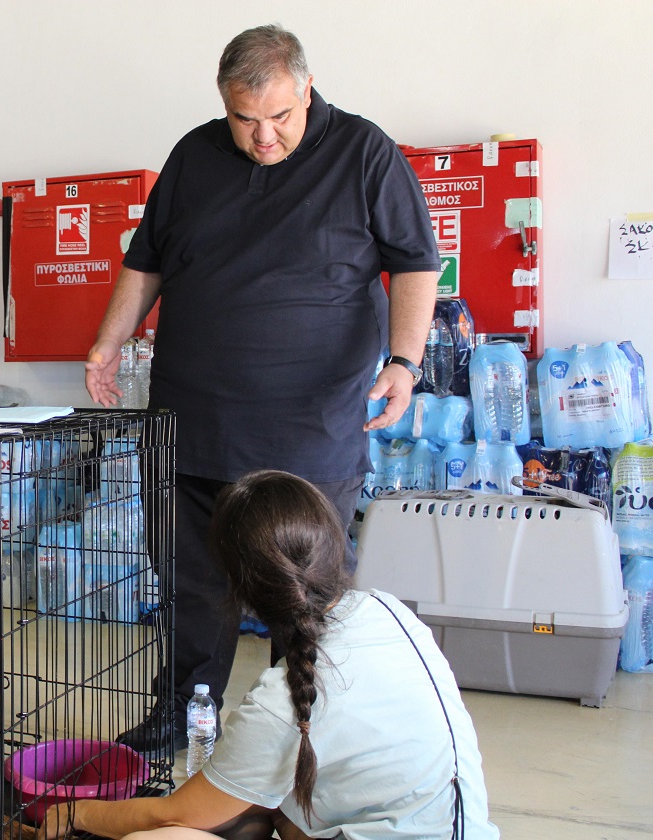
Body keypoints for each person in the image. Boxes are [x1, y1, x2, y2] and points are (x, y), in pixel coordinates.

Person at [85, 25, 441, 755]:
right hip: (192, 423)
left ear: (306, 89)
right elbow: (145, 260)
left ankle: (302, 725)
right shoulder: (195, 154)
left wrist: (405, 360)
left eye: (278, 116)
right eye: (244, 119)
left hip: (305, 433)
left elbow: (415, 262)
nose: (262, 136)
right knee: (190, 586)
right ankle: (180, 714)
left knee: (301, 595)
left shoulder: (364, 153)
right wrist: (109, 340)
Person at [41, 470, 500, 840]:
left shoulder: (281, 704)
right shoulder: (389, 609)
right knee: (256, 805)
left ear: (237, 586)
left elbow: (171, 815)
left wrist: (77, 813)